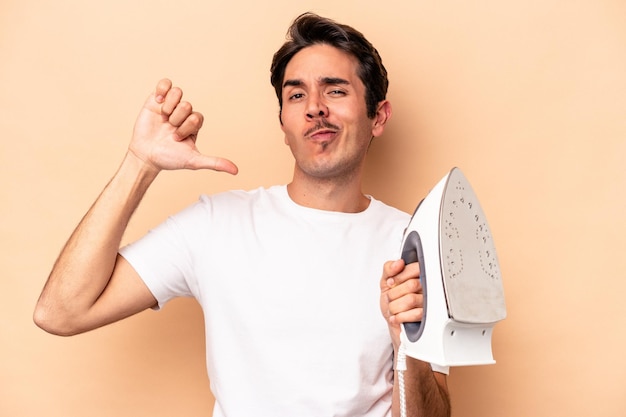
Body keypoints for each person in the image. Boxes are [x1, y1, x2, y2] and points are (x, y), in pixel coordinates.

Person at [34, 12, 451, 417]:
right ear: (283, 122)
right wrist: (140, 163)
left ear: (377, 116)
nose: (315, 107)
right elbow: (60, 312)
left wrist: (405, 344)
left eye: (335, 90)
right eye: (296, 94)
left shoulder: (414, 246)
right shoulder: (215, 225)